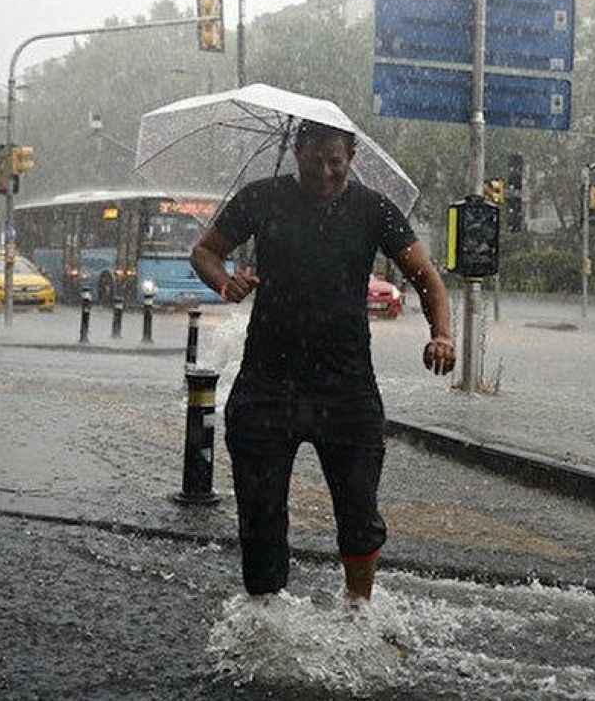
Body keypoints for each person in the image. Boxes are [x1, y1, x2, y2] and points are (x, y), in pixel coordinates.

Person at [190, 120, 455, 605]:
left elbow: (427, 277)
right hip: (268, 382)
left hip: (346, 383)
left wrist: (441, 335)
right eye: (317, 161)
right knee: (261, 509)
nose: (327, 172)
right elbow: (204, 252)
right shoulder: (260, 198)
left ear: (350, 158)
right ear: (298, 152)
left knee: (358, 509)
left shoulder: (373, 209)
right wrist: (225, 283)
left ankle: (359, 609)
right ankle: (265, 612)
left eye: (337, 162)